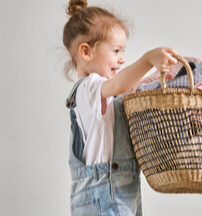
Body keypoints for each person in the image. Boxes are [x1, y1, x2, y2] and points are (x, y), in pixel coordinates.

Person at [62, 0, 177, 215]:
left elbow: (126, 88)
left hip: (122, 192)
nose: (122, 59)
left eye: (122, 51)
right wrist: (147, 59)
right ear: (86, 52)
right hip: (103, 195)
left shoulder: (105, 93)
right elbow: (119, 83)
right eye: (116, 51)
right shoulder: (88, 88)